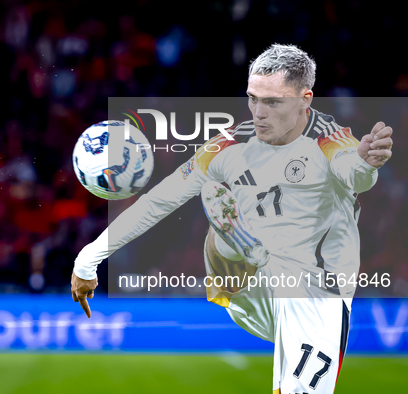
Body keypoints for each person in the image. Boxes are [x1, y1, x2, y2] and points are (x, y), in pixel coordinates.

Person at [70, 44, 393, 393]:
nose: (258, 112)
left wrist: (366, 162)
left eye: (272, 102)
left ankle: (236, 241)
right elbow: (158, 202)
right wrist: (88, 260)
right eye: (252, 98)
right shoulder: (228, 144)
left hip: (319, 293)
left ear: (305, 99)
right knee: (218, 206)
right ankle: (234, 242)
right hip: (249, 282)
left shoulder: (330, 138)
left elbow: (354, 173)